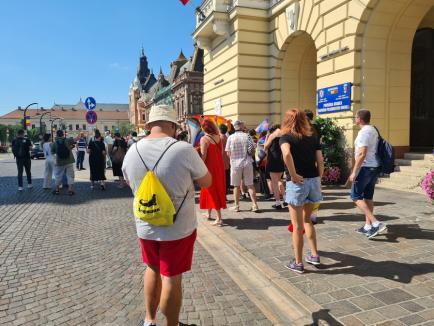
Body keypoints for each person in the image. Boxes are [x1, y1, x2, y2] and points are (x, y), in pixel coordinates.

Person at [122, 104, 211, 326]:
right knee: (171, 276)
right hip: (177, 227)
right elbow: (207, 182)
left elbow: (128, 181)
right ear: (172, 125)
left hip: (145, 223)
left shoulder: (132, 150)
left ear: (150, 125)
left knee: (151, 268)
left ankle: (149, 320)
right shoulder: (183, 149)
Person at [279, 109, 324, 274]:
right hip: (313, 182)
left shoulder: (286, 137)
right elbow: (320, 159)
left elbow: (286, 155)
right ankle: (314, 255)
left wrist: (293, 174)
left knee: (297, 226)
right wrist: (319, 176)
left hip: (298, 183)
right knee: (308, 221)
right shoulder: (313, 136)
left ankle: (298, 263)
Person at [350, 109, 386, 239]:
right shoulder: (373, 129)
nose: (355, 119)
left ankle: (376, 223)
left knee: (355, 196)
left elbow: (362, 153)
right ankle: (368, 226)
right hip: (374, 167)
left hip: (365, 168)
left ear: (359, 119)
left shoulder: (364, 132)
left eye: (355, 117)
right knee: (368, 197)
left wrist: (354, 171)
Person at [225, 120, 259, 212]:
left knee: (236, 186)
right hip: (247, 162)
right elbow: (253, 149)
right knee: (250, 185)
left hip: (235, 164)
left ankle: (236, 206)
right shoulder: (247, 136)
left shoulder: (231, 138)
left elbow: (228, 153)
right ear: (241, 127)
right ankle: (255, 205)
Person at [199, 119, 227, 225]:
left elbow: (204, 155)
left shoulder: (204, 139)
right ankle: (209, 213)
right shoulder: (218, 137)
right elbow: (221, 152)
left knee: (211, 190)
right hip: (218, 167)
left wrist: (199, 167)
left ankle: (219, 218)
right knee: (212, 189)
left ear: (204, 128)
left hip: (209, 168)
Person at [264, 124, 286, 209]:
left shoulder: (272, 135)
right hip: (281, 159)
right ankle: (285, 199)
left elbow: (265, 146)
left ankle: (277, 203)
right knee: (280, 180)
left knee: (274, 182)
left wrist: (267, 137)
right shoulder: (283, 134)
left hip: (273, 160)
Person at [52, 130, 75, 195]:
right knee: (70, 176)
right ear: (63, 134)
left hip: (60, 162)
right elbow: (76, 139)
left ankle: (57, 190)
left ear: (56, 135)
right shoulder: (67, 140)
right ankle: (70, 190)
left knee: (58, 176)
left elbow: (52, 152)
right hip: (69, 161)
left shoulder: (54, 143)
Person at [219, 124, 231, 195]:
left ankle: (224, 192)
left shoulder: (219, 138)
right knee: (226, 176)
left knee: (222, 178)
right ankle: (226, 190)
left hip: (221, 160)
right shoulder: (227, 137)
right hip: (227, 159)